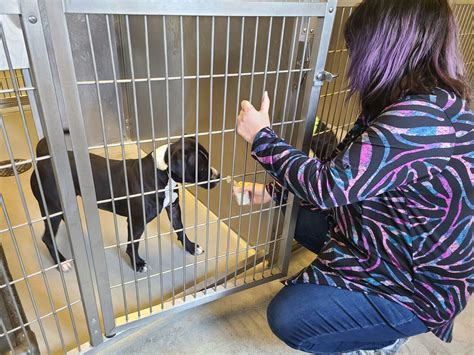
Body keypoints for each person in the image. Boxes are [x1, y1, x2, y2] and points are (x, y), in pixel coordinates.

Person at [235, 0, 473, 353]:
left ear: (385, 46)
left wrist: (262, 138)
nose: (353, 60)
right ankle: (353, 299)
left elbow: (330, 186)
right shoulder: (416, 102)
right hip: (390, 238)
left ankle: (382, 336)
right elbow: (355, 174)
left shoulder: (422, 120)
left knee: (289, 316)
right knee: (296, 215)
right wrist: (274, 190)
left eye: (356, 48)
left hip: (415, 285)